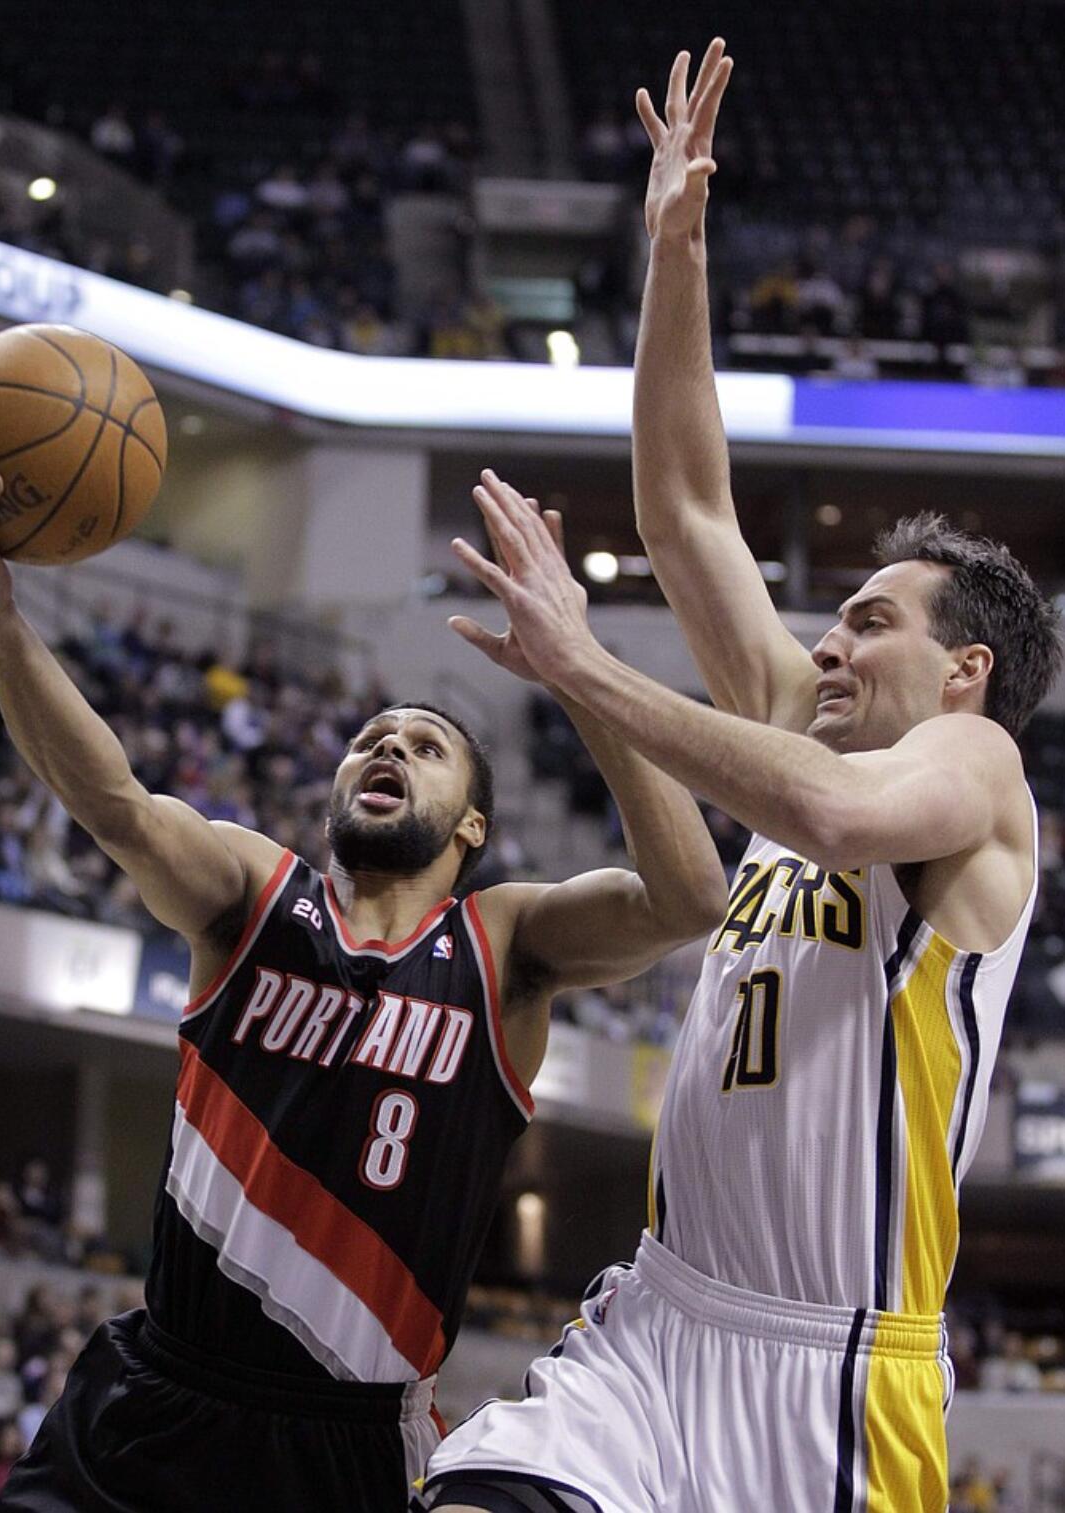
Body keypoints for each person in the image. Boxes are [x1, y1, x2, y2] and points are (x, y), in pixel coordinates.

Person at [420, 41, 1059, 1513]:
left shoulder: (970, 770)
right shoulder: (799, 715)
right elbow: (683, 501)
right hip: (656, 1320)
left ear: (961, 668)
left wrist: (584, 670)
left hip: (827, 1376)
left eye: (868, 621)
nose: (822, 643)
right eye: (827, 619)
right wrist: (673, 250)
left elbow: (831, 819)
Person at [0, 427, 725, 1512]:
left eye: (424, 746)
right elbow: (114, 802)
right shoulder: (256, 893)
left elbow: (688, 900)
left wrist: (580, 673)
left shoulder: (500, 945)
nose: (387, 746)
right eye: (370, 737)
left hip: (339, 1441)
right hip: (151, 1395)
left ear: (472, 823)